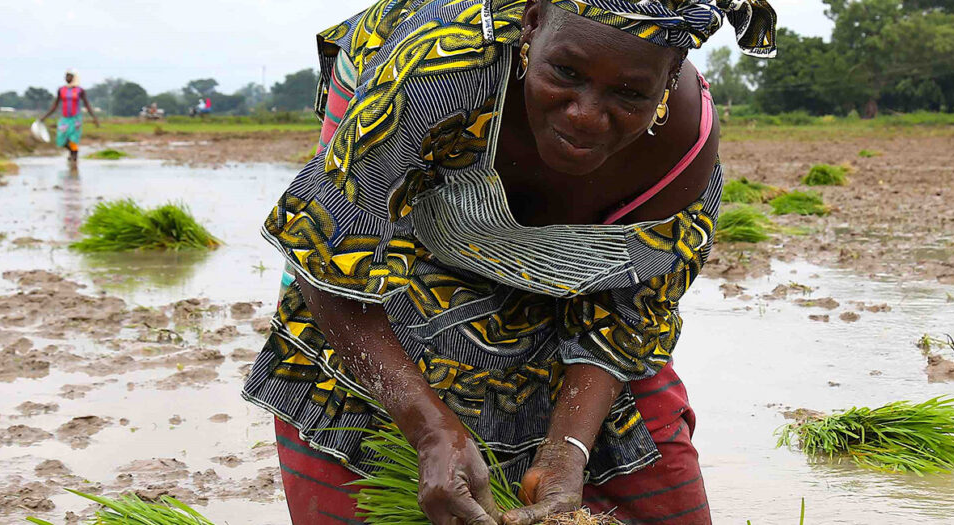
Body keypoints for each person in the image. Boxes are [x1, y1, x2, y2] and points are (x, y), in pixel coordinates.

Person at [240, 0, 776, 523]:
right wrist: (428, 429)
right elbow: (330, 258)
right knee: (381, 433)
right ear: (532, 23)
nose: (586, 116)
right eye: (566, 73)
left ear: (672, 73)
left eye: (630, 93)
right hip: (400, 183)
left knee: (651, 484)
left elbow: (632, 311)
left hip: (563, 271)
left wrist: (568, 448)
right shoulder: (439, 69)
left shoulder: (684, 144)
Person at [38, 70, 100, 164]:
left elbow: (87, 104)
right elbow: (55, 105)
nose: (67, 78)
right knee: (61, 139)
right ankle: (72, 152)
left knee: (73, 138)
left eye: (69, 76)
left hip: (75, 119)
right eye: (66, 76)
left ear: (74, 77)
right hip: (65, 118)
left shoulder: (80, 90)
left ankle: (74, 157)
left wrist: (94, 118)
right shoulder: (61, 90)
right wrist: (44, 117)